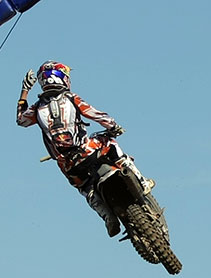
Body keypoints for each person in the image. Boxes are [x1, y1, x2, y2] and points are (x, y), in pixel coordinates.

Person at [16, 61, 151, 237]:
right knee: (110, 143)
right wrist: (114, 126)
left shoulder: (36, 108)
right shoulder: (71, 98)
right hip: (88, 149)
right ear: (63, 78)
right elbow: (97, 115)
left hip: (68, 164)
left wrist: (24, 91)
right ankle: (142, 181)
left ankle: (106, 216)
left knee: (85, 188)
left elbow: (21, 120)